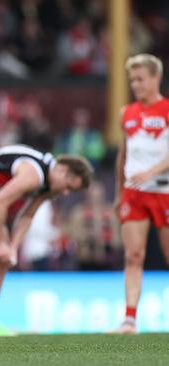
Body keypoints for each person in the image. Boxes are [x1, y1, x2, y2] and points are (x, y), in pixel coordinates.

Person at [0, 144, 92, 336]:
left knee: (3, 258)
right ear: (62, 170)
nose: (65, 193)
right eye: (68, 187)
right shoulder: (34, 175)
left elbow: (27, 215)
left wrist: (13, 247)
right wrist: (1, 242)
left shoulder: (48, 184)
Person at [115, 54, 169, 334]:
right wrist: (118, 193)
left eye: (140, 79)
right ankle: (129, 319)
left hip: (164, 192)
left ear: (155, 78)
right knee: (133, 255)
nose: (135, 84)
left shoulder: (168, 110)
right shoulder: (127, 113)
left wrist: (153, 171)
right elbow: (123, 155)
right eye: (132, 80)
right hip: (133, 193)